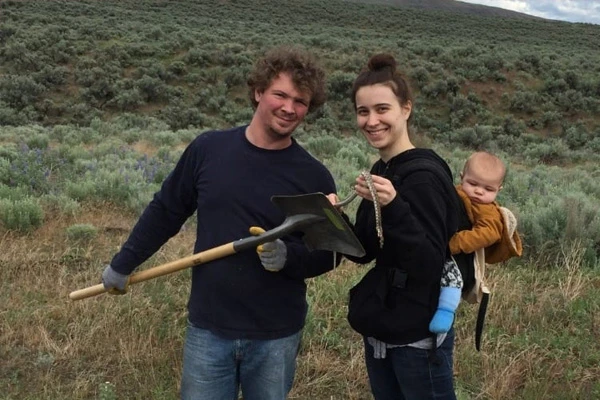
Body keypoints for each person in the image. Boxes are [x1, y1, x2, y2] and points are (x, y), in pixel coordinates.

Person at [101, 45, 341, 400]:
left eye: (301, 101)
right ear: (259, 91)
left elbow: (331, 255)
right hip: (209, 328)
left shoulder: (314, 176)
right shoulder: (209, 150)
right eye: (280, 95)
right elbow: (166, 210)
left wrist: (289, 258)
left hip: (276, 333)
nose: (290, 108)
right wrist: (124, 263)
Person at [333, 53, 459, 399]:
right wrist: (330, 218)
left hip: (417, 338)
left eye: (382, 109)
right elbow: (364, 252)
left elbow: (430, 264)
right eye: (363, 111)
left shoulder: (424, 178)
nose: (371, 121)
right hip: (384, 329)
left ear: (406, 108)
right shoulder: (382, 169)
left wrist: (393, 207)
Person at [429, 151, 522, 333]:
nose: (479, 191)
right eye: (472, 184)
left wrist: (455, 244)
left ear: (499, 189)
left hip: (459, 253)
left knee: (453, 279)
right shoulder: (456, 193)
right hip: (443, 248)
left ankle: (445, 311)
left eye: (488, 189)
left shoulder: (487, 210)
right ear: (462, 177)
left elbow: (489, 233)